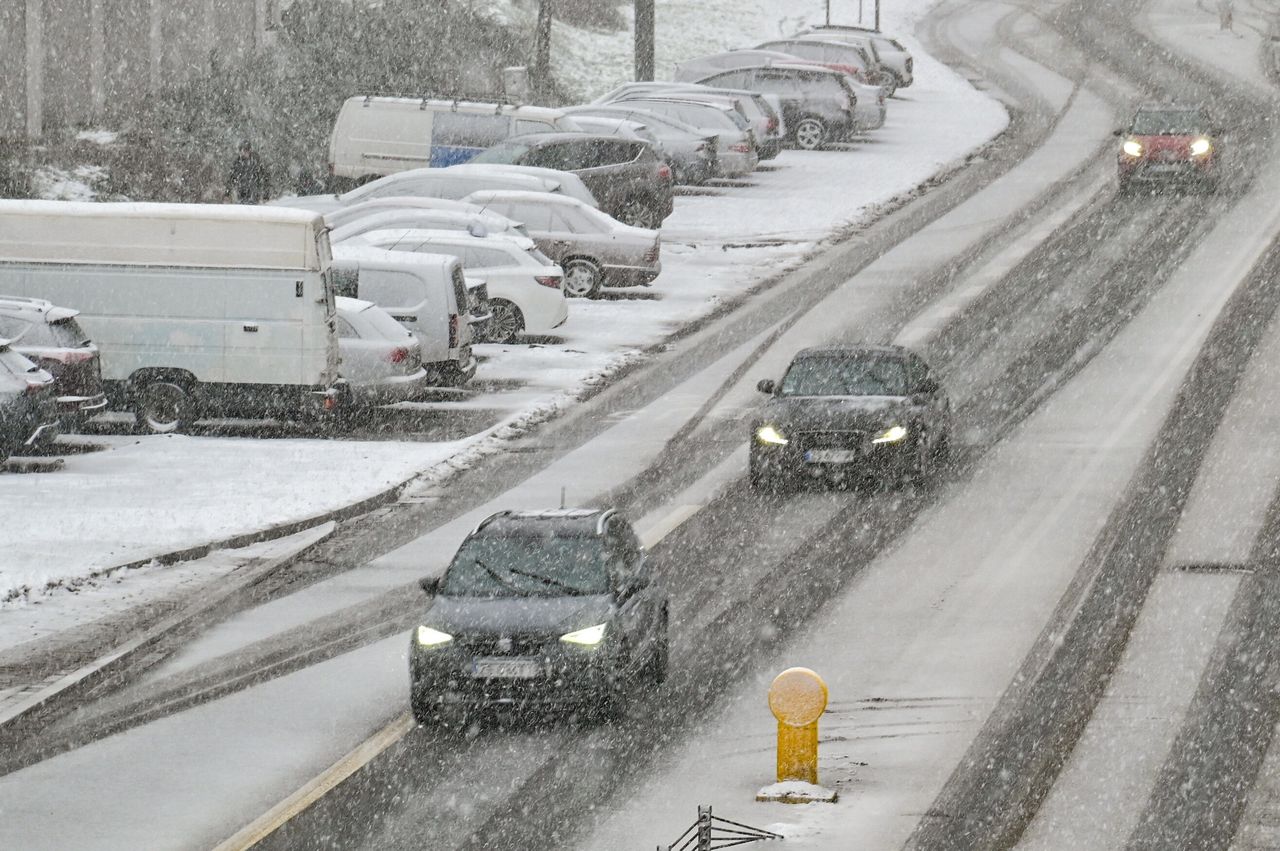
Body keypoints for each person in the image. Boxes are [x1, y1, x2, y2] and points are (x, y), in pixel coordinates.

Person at [224, 139, 270, 204]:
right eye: (242, 150)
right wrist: (227, 194)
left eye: (245, 150)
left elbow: (265, 178)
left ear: (249, 150)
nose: (243, 153)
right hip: (241, 194)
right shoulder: (237, 163)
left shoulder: (256, 162)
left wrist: (266, 195)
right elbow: (231, 179)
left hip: (254, 194)